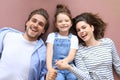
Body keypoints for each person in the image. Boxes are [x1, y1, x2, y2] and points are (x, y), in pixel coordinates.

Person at [56, 12, 120, 80]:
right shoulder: (79, 51)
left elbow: (118, 65)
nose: (81, 31)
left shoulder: (108, 43)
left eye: (84, 27)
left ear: (92, 28)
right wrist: (70, 67)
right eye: (78, 30)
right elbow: (85, 78)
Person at [0, 8, 57, 80]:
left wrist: (46, 78)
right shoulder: (7, 35)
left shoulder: (44, 53)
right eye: (34, 21)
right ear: (27, 22)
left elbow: (43, 76)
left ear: (43, 31)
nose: (36, 25)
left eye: (40, 24)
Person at [46, 4, 78, 80]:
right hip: (56, 67)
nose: (63, 23)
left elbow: (71, 55)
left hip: (69, 67)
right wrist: (50, 69)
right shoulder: (52, 36)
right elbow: (49, 53)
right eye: (60, 21)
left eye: (66, 21)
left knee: (74, 78)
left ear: (71, 23)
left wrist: (63, 62)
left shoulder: (74, 38)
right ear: (56, 24)